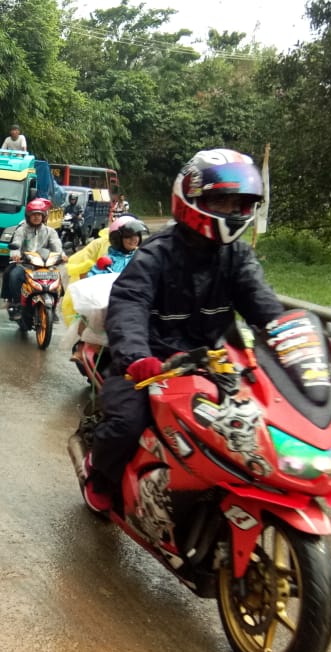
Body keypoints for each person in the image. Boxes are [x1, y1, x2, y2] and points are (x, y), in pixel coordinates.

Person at [81, 148, 285, 514]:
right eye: (222, 201)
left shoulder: (238, 257)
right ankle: (98, 471)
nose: (233, 212)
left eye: (241, 203)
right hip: (152, 365)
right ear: (192, 199)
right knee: (127, 422)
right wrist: (137, 357)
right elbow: (129, 304)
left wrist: (289, 342)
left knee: (261, 424)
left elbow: (263, 305)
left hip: (216, 364)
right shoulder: (156, 254)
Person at [1, 198, 63, 321]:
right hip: (24, 264)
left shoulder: (50, 231)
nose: (36, 217)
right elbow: (16, 244)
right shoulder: (21, 229)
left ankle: (53, 307)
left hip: (43, 264)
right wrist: (15, 255)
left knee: (58, 278)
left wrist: (62, 255)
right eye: (33, 214)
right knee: (12, 274)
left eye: (39, 215)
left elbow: (57, 246)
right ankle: (16, 305)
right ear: (28, 216)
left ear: (44, 216)